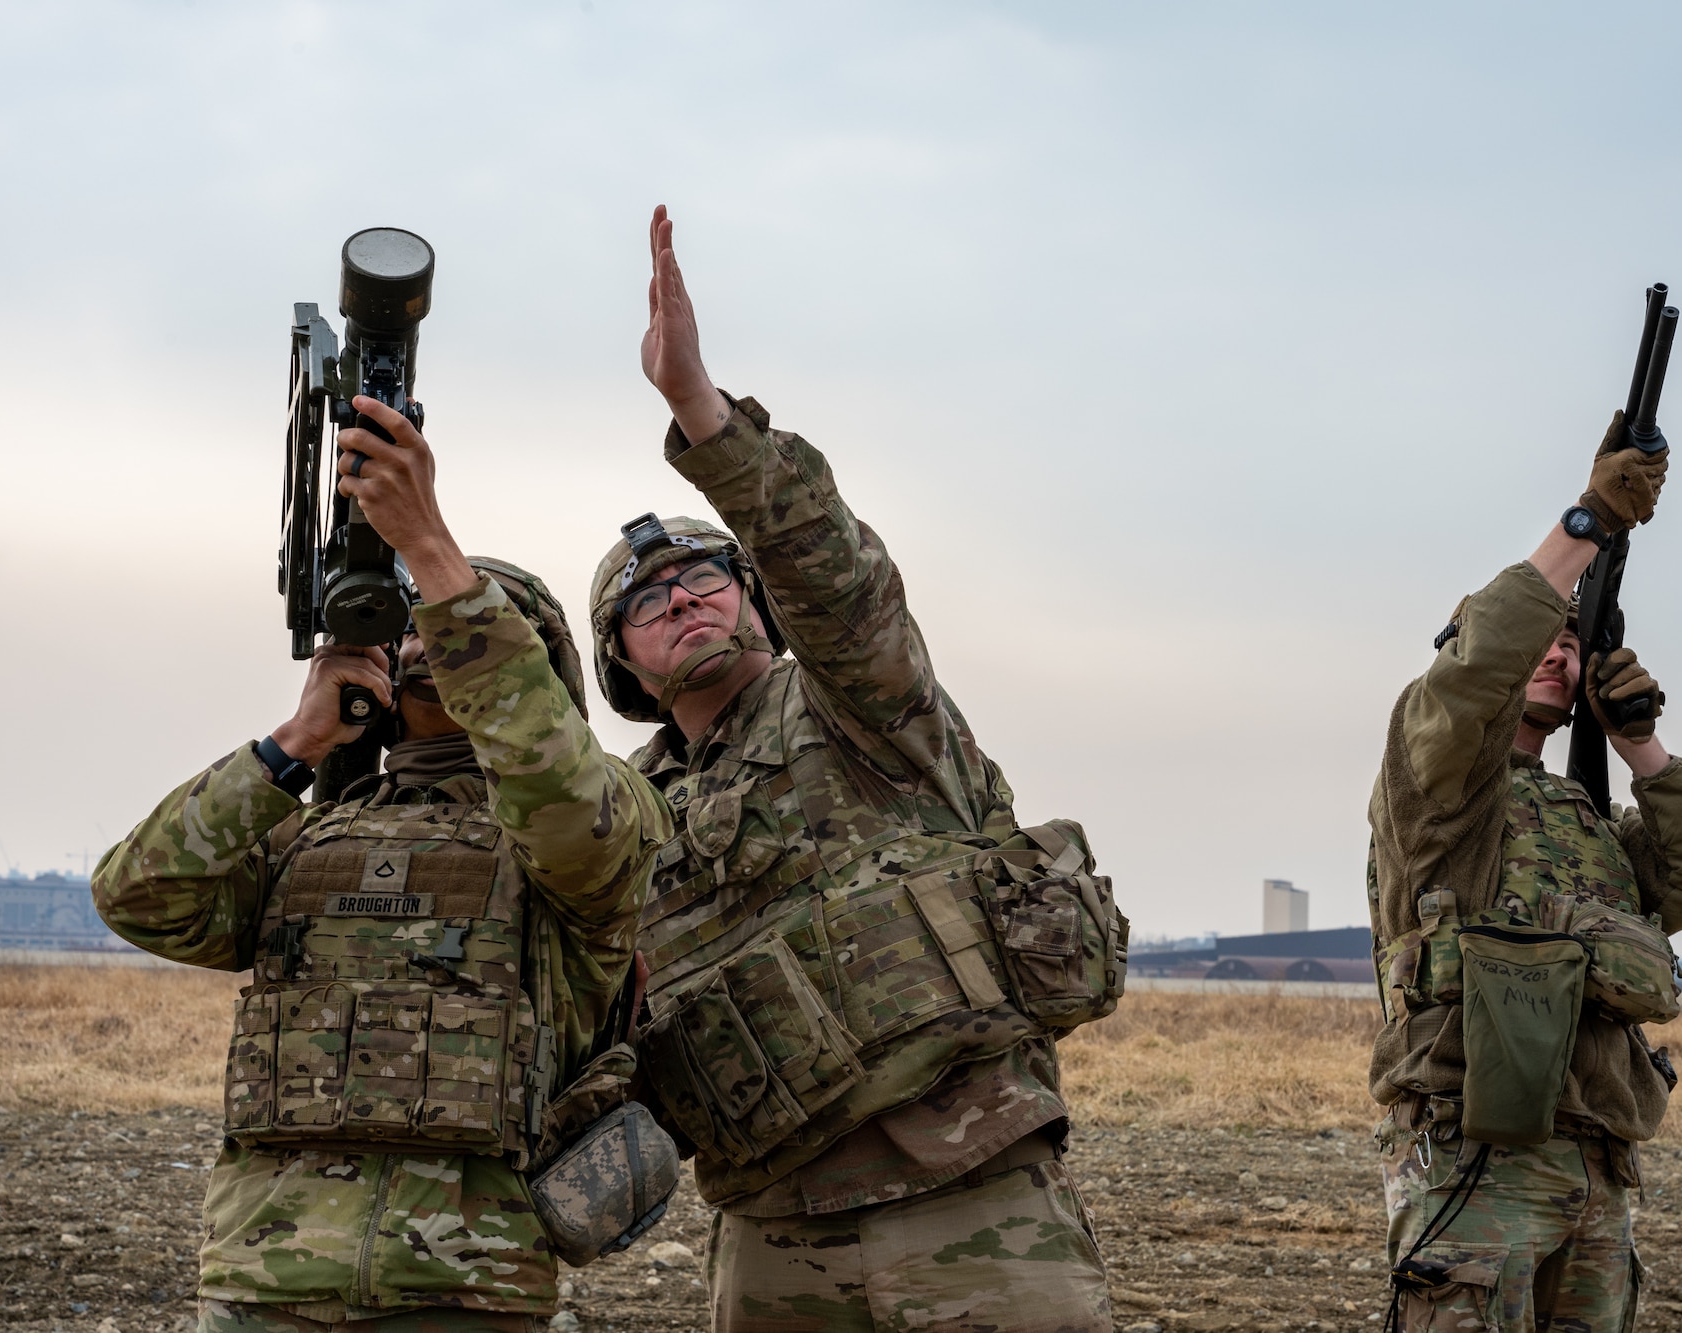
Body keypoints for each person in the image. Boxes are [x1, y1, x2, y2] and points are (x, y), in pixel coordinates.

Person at [585, 206, 1122, 1332]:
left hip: (972, 1198)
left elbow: (835, 577)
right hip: (773, 1233)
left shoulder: (856, 702)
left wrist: (699, 409)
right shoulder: (625, 818)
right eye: (647, 599)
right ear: (622, 663)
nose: (683, 597)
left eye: (706, 577)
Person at [92, 395, 667, 1331]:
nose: (426, 639)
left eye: (457, 623)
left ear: (534, 667)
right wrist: (292, 745)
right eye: (412, 622)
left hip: (465, 1289)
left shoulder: (597, 818)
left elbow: (562, 802)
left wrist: (433, 548)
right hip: (261, 1279)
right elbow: (137, 895)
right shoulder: (314, 832)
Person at [1366, 422, 1682, 1330]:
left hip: (1596, 1161)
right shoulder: (1441, 790)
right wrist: (1587, 524)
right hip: (1474, 1158)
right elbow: (1474, 672)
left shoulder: (1583, 819)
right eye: (1542, 639)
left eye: (1573, 647)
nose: (1557, 652)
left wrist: (1637, 742)